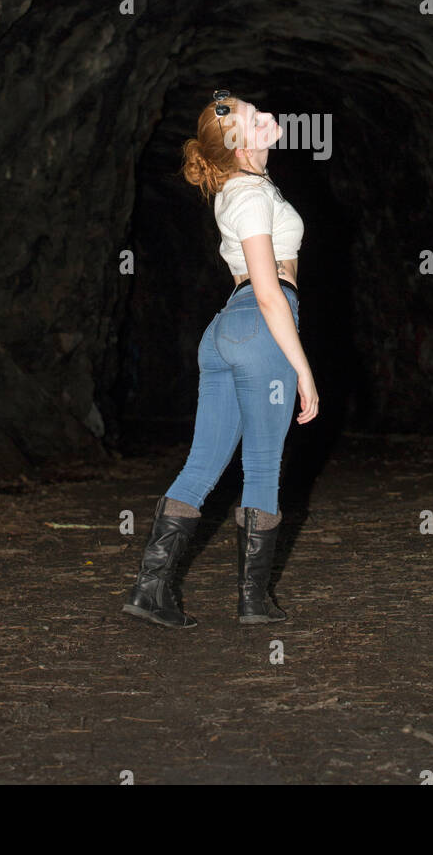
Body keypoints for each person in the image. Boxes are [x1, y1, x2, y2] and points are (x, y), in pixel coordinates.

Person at [123, 90, 320, 629]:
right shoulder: (251, 195)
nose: (269, 117)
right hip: (259, 325)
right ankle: (253, 602)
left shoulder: (242, 190)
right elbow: (268, 290)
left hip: (223, 333)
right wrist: (302, 368)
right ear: (237, 146)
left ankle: (150, 591)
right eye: (256, 119)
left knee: (201, 466)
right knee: (260, 466)